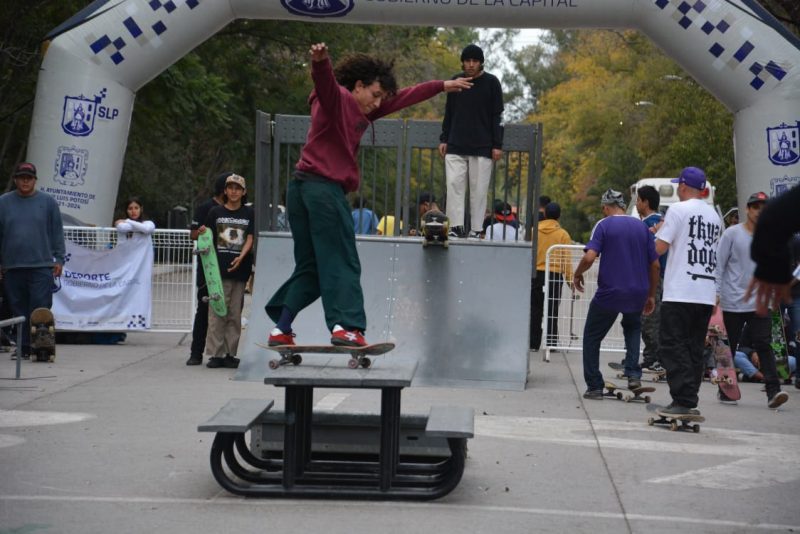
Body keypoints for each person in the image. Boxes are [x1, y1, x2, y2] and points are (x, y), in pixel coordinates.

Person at [265, 43, 473, 348]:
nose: (377, 105)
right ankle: (346, 327)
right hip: (323, 190)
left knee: (311, 267)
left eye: (381, 100)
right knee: (343, 261)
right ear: (358, 86)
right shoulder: (340, 98)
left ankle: (281, 329)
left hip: (300, 190)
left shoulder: (363, 109)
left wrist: (441, 86)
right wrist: (321, 62)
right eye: (375, 95)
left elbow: (403, 97)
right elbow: (326, 85)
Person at [572, 189, 659, 398]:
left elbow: (590, 257)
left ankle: (594, 386)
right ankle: (633, 375)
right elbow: (655, 264)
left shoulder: (603, 225)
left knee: (592, 336)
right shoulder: (642, 227)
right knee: (632, 328)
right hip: (637, 292)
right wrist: (651, 294)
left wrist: (577, 274)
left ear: (605, 207)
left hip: (611, 291)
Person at [654, 167, 722, 416]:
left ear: (683, 186)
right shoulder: (714, 216)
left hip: (680, 290)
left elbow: (659, 249)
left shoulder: (677, 210)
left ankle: (682, 399)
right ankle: (689, 398)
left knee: (672, 344)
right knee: (694, 346)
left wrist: (650, 236)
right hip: (704, 291)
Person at [716, 191, 788, 407]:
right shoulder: (732, 234)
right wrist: (716, 293)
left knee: (764, 344)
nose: (760, 211)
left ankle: (773, 392)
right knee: (727, 347)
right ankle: (725, 388)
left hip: (760, 301)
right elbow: (719, 264)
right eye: (756, 207)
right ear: (748, 210)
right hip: (732, 301)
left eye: (764, 208)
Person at [0, 162, 65, 360]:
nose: (25, 181)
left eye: (29, 177)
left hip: (41, 265)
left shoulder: (48, 202)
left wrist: (60, 258)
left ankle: (41, 347)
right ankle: (23, 347)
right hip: (12, 266)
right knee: (18, 309)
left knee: (39, 308)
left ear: (35, 180)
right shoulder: (3, 202)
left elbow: (56, 232)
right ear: (16, 180)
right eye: (22, 177)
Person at [439, 44, 504, 239]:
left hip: (483, 146)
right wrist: (444, 138)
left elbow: (498, 115)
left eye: (475, 61)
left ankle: (476, 228)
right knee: (454, 186)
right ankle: (456, 226)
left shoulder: (492, 83)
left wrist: (497, 144)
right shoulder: (455, 82)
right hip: (456, 143)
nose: (471, 64)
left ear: (481, 62)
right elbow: (449, 112)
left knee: (479, 190)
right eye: (467, 61)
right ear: (463, 62)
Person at [199, 174, 254, 369]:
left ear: (243, 192)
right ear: (225, 190)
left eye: (238, 188)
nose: (233, 191)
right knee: (216, 312)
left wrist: (242, 257)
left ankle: (231, 353)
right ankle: (215, 354)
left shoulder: (249, 214)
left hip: (239, 270)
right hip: (217, 271)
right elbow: (206, 236)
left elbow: (250, 237)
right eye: (230, 187)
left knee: (234, 313)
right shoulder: (215, 212)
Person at [186, 172, 228, 366]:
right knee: (203, 311)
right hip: (208, 268)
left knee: (227, 313)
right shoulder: (206, 208)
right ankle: (196, 352)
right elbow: (193, 234)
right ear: (223, 190)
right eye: (230, 188)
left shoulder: (237, 210)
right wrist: (202, 233)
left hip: (229, 268)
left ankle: (222, 353)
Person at [530, 201, 573, 350]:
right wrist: (570, 280)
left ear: (545, 214)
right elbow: (566, 260)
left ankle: (533, 343)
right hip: (554, 276)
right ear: (559, 216)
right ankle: (551, 342)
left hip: (535, 274)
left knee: (535, 309)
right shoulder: (563, 235)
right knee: (552, 309)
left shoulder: (534, 231)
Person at [635, 185, 666, 371]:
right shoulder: (658, 222)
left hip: (654, 277)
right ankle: (649, 357)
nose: (637, 203)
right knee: (648, 319)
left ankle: (657, 358)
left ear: (645, 202)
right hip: (654, 277)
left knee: (650, 320)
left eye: (638, 200)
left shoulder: (649, 224)